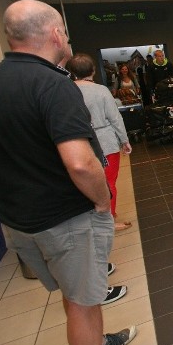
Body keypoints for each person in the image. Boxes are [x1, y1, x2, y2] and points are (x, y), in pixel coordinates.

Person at [0, 0, 145, 345]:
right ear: (53, 35)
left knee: (74, 291)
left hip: (20, 217)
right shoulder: (53, 84)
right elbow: (80, 163)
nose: (67, 38)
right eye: (64, 32)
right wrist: (103, 202)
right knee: (85, 300)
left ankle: (97, 344)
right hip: (64, 216)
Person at [67, 53, 134, 233]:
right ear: (93, 70)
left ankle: (92, 219)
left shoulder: (66, 90)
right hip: (105, 141)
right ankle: (109, 220)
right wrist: (124, 140)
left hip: (76, 143)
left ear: (72, 71)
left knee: (83, 183)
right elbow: (115, 118)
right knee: (108, 182)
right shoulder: (101, 91)